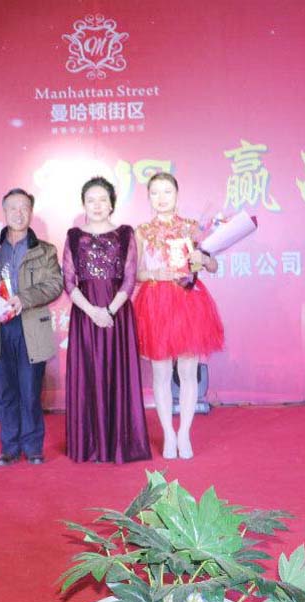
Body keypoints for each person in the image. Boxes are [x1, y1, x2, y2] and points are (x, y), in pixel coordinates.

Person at [133, 172, 224, 459]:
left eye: (167, 192)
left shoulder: (192, 228)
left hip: (188, 302)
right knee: (160, 373)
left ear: (177, 194)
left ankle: (184, 433)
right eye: (155, 192)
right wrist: (155, 274)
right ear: (148, 197)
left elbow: (213, 266)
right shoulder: (142, 231)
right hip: (155, 303)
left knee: (187, 371)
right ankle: (168, 435)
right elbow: (133, 274)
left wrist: (202, 259)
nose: (161, 198)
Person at [63, 177, 151, 463]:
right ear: (83, 204)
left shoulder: (125, 234)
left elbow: (129, 279)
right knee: (89, 374)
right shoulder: (74, 236)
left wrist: (109, 311)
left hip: (117, 314)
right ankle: (90, 445)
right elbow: (68, 281)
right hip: (85, 315)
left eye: (103, 199)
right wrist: (93, 312)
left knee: (117, 374)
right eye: (91, 200)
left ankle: (118, 444)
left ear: (112, 203)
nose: (97, 205)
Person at [0, 188, 63, 466]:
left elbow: (55, 285)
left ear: (31, 212)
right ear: (4, 212)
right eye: (12, 208)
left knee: (30, 391)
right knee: (5, 392)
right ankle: (9, 447)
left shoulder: (45, 250)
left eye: (24, 207)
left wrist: (24, 299)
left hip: (30, 327)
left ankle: (33, 447)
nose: (18, 213)